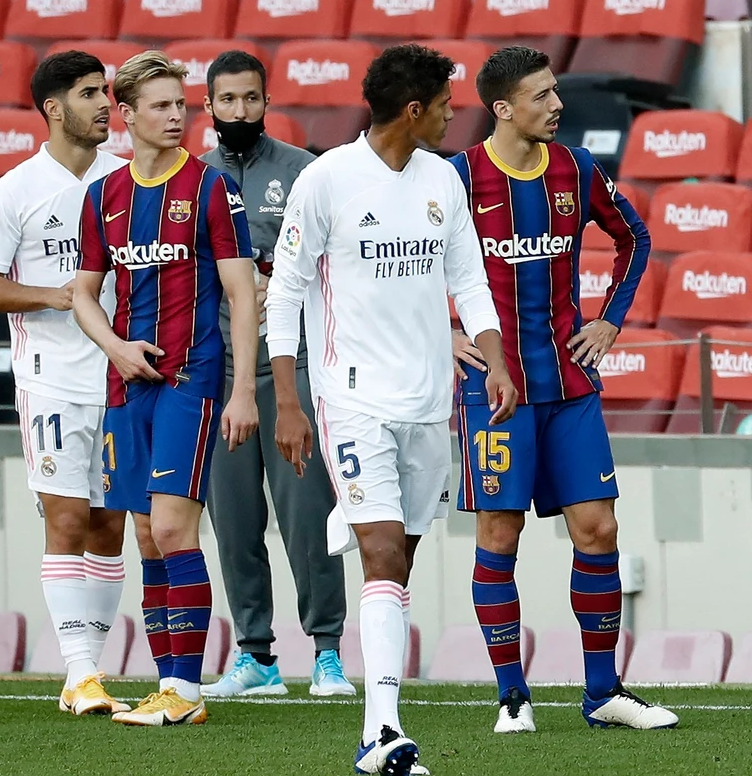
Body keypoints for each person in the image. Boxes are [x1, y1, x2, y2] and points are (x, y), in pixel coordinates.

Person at [264, 43, 518, 775]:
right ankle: (381, 731)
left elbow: (468, 282)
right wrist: (288, 398)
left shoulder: (443, 179)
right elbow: (284, 294)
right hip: (351, 398)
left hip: (428, 403)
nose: (452, 114)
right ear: (415, 109)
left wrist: (496, 359)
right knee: (381, 552)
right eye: (445, 103)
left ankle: (379, 726)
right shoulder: (327, 181)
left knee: (396, 561)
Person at [446, 46, 675, 732]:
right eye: (542, 95)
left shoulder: (576, 168)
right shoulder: (457, 179)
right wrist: (437, 330)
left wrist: (608, 319)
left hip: (571, 385)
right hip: (497, 390)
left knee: (599, 527)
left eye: (555, 92)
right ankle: (512, 694)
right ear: (503, 107)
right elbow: (401, 262)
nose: (557, 104)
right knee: (499, 531)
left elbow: (634, 236)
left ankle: (603, 691)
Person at [70, 51, 260, 728]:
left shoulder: (210, 189)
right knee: (147, 537)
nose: (177, 116)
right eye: (161, 105)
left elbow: (242, 294)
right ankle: (166, 684)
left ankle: (184, 688)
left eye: (182, 104)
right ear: (126, 115)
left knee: (176, 527)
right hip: (128, 390)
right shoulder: (102, 196)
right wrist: (115, 347)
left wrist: (240, 391)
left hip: (190, 381)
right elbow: (84, 295)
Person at [0, 50, 129, 716]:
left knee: (108, 524)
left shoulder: (128, 180)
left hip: (121, 377)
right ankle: (82, 669)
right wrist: (56, 297)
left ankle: (86, 670)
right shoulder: (14, 190)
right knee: (65, 519)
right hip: (51, 379)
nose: (104, 105)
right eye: (89, 93)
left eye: (107, 92)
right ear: (54, 108)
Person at [197, 50, 353, 700]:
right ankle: (255, 653)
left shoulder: (305, 172)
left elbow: (338, 264)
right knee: (233, 520)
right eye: (227, 100)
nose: (240, 111)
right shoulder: (191, 179)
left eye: (250, 99)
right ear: (208, 106)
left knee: (306, 512)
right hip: (215, 374)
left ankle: (326, 652)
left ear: (267, 100)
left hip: (290, 372)